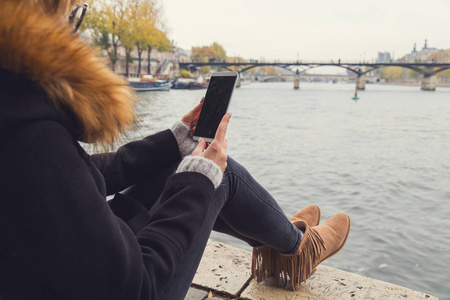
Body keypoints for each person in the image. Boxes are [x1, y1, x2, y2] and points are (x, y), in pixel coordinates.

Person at [0, 1, 351, 299]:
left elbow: (76, 176)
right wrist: (199, 182)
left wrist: (172, 140)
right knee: (217, 176)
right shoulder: (32, 137)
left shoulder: (15, 116)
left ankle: (284, 240)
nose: (75, 34)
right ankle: (298, 247)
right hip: (129, 282)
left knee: (186, 161)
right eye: (73, 16)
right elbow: (140, 287)